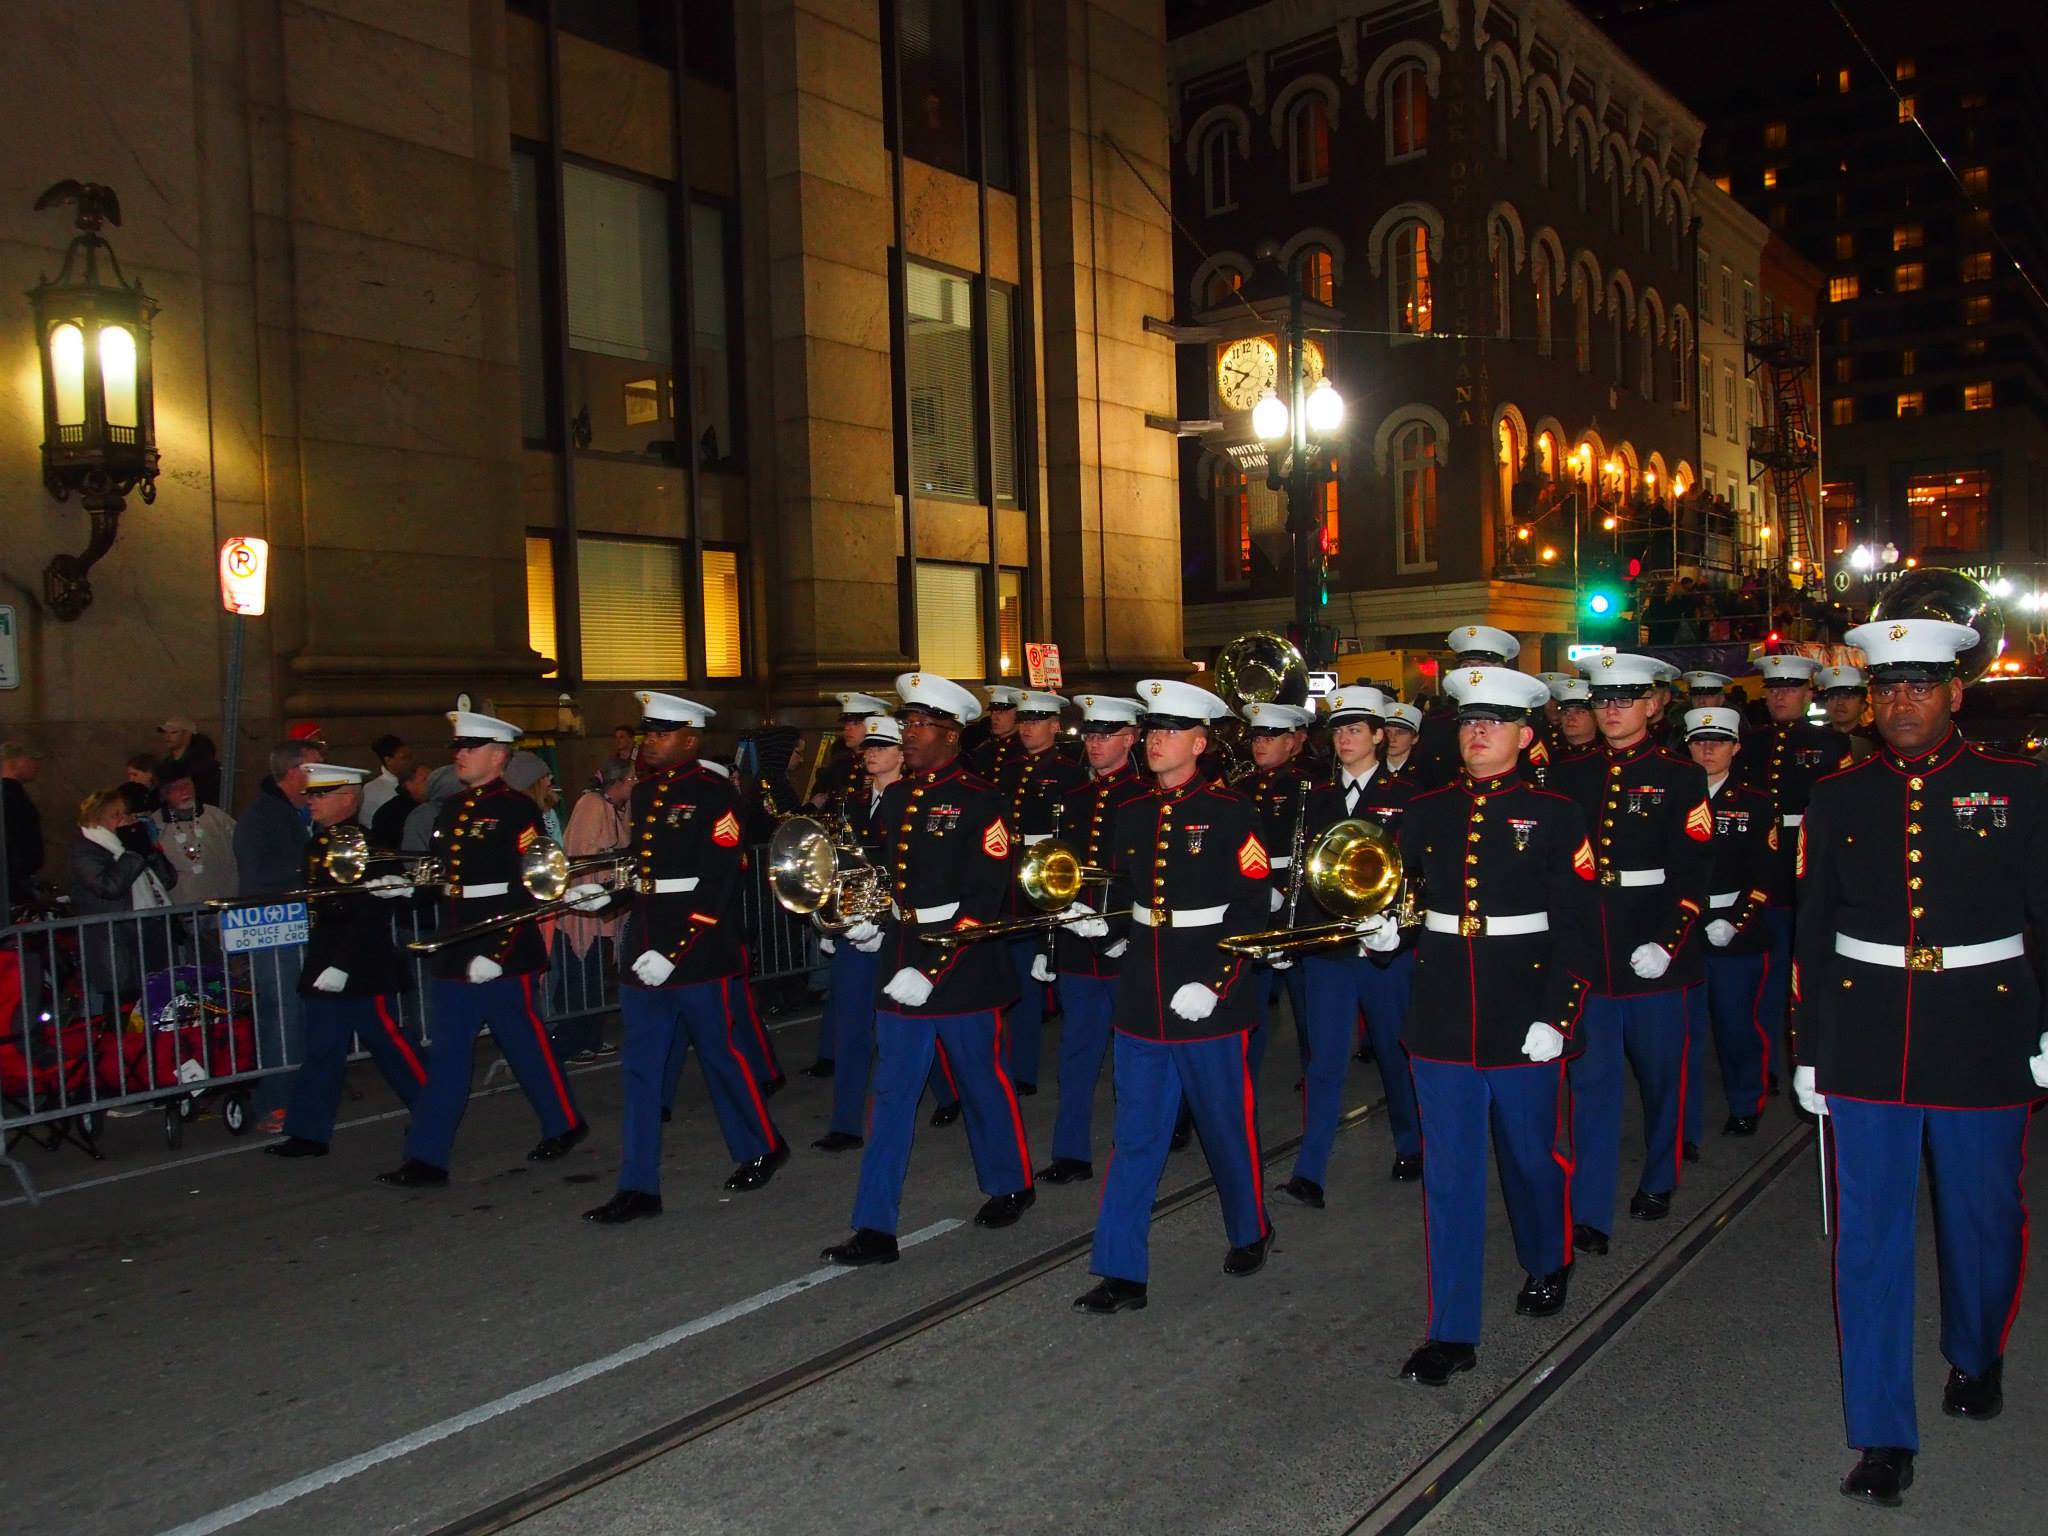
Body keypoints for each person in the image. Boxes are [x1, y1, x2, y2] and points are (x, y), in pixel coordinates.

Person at [1796, 617, 2048, 1508]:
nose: (1901, 702)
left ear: (1955, 693)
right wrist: (1810, 1047)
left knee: (1984, 1221)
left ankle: (1976, 1352)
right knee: (1866, 1242)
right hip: (1866, 1037)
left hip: (1984, 1027)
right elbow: (1815, 926)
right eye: (1887, 688)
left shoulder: (2017, 785)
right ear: (1870, 699)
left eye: (1919, 686)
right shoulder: (1840, 793)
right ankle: (1881, 1434)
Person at [1395, 666, 1596, 1386]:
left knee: (1530, 1158)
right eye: (1468, 721)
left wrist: (1560, 1016)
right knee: (1449, 1178)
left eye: (1494, 722)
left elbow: (1577, 926)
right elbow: (1405, 893)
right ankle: (1450, 1331)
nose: (1477, 732)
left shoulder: (1556, 814)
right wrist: (1389, 931)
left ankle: (1548, 1255)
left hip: (1523, 1010)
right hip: (1443, 1013)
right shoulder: (1427, 809)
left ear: (1524, 733)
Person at [1071, 679, 1275, 1314]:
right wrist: (1103, 930)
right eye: (1152, 729)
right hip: (1143, 992)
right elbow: (1131, 897)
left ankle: (1251, 1229)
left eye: (1170, 731)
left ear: (1199, 741)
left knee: (1223, 1127)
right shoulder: (1131, 811)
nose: (1157, 740)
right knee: (1135, 1135)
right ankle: (1121, 1269)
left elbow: (1253, 908)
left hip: (1207, 995)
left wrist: (1215, 979)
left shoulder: (1231, 811)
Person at [821, 672, 1036, 1268]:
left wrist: (933, 964)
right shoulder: (896, 798)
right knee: (891, 1093)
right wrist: (874, 921)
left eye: (917, 726)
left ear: (949, 734)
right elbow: (894, 881)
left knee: (980, 1081)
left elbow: (984, 899)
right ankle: (874, 1228)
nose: (906, 735)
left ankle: (1011, 1181)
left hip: (961, 968)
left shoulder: (980, 800)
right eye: (906, 723)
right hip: (901, 957)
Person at [580, 694, 787, 1224]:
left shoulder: (715, 793)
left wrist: (674, 952)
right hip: (645, 945)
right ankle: (638, 1185)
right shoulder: (648, 791)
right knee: (641, 1070)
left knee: (721, 1057)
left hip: (695, 952)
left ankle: (761, 1144)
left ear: (690, 739)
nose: (650, 740)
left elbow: (719, 879)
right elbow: (648, 867)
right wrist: (614, 895)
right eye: (649, 732)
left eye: (662, 733)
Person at [376, 711, 589, 1187]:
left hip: (502, 951)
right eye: (458, 747)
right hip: (458, 944)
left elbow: (531, 885)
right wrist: (405, 888)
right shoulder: (452, 809)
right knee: (449, 1056)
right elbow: (444, 879)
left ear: (497, 755)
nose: (458, 754)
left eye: (468, 748)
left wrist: (498, 950)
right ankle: (426, 1158)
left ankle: (564, 1123)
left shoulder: (517, 810)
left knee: (526, 1047)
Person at [1550, 652, 1711, 1255]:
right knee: (1590, 1083)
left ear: (1652, 703)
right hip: (1592, 949)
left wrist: (1668, 942)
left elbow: (1692, 870)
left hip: (1652, 949)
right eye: (1602, 699)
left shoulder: (1681, 776)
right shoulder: (1569, 775)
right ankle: (1589, 1208)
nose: (1612, 709)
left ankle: (1659, 1175)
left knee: (1661, 1074)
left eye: (1625, 698)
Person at [1276, 686, 1421, 1208]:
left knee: (1394, 1052)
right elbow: (1304, 872)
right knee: (1324, 1059)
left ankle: (1411, 1144)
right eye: (1338, 730)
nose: (1344, 738)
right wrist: (1294, 934)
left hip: (1384, 952)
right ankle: (1309, 1169)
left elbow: (1416, 876)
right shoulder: (1315, 798)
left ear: (1380, 736)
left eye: (1355, 729)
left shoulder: (1409, 796)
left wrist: (1397, 932)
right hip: (1330, 951)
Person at [812, 715, 964, 1150]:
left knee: (911, 1019)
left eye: (881, 746)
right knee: (852, 1024)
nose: (870, 753)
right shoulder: (853, 801)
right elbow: (839, 864)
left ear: (903, 752)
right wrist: (829, 919)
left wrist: (887, 921)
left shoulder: (916, 800)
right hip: (857, 927)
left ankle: (948, 1092)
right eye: (867, 747)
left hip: (898, 927)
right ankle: (846, 1123)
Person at [267, 764, 428, 1158]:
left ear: (348, 798)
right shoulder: (319, 844)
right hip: (327, 961)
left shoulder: (367, 846)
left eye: (321, 794)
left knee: (391, 1045)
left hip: (362, 965)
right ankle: (308, 1132)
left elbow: (372, 909)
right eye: (311, 794)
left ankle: (435, 1107)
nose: (312, 801)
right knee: (321, 1049)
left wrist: (341, 963)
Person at [1037, 694, 1151, 1183]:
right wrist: (1049, 942)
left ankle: (1138, 1147)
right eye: (1090, 734)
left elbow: (1150, 877)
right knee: (1077, 1054)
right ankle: (1070, 1152)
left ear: (1131, 739)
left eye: (1106, 735)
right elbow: (1057, 876)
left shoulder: (1146, 799)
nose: (1095, 743)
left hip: (1127, 949)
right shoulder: (1076, 800)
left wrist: (1125, 932)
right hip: (1079, 947)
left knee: (1136, 1060)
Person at [1736, 653, 1852, 1092]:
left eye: (1790, 689)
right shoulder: (1749, 743)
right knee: (1762, 976)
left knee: (1805, 969)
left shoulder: (1830, 745)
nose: (1780, 696)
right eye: (1773, 689)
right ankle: (1763, 1061)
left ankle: (1808, 1050)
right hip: (1757, 867)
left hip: (1807, 868)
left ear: (1808, 694)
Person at [1677, 707, 1775, 1157]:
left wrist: (1735, 920)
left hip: (1733, 931)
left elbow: (1766, 872)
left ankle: (1744, 1103)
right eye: (1699, 742)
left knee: (1736, 1026)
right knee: (1684, 1035)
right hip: (1682, 929)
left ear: (1736, 747)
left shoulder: (1754, 803)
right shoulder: (1673, 796)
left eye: (1717, 742)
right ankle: (1687, 1127)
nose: (1708, 749)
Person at [992, 690, 1086, 1093]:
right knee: (1013, 977)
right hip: (1009, 877)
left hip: (1046, 878)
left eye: (1036, 721)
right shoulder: (1006, 767)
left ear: (1054, 726)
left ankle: (1029, 1069)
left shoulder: (1068, 772)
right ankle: (1012, 1063)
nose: (1027, 727)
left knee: (1044, 975)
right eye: (1024, 720)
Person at [234, 738, 324, 1132]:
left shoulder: (297, 813)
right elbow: (256, 877)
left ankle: (300, 1091)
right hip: (273, 928)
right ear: (294, 773)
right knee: (281, 1013)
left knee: (297, 1011)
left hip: (295, 925)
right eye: (315, 768)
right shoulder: (262, 817)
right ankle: (275, 1101)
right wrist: (306, 876)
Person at [1237, 698, 1316, 1083]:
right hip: (1254, 898)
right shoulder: (1243, 787)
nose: (1260, 744)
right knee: (1251, 996)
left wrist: (1286, 892)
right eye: (1256, 737)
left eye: (1270, 736)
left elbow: (1314, 847)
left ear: (1292, 741)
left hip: (1296, 901)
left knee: (1307, 1003)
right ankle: (1244, 1073)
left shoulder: (1309, 784)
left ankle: (1313, 1069)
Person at [64, 787, 178, 1011]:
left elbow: (168, 879)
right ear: (97, 818)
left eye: (126, 814)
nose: (125, 820)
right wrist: (132, 854)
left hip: (148, 934)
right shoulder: (86, 850)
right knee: (122, 1006)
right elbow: (109, 886)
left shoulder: (129, 845)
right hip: (117, 942)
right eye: (116, 815)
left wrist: (150, 852)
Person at [554, 756, 632, 1055]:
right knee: (582, 973)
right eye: (632, 779)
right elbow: (582, 853)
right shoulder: (592, 805)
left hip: (604, 904)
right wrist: (613, 863)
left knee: (595, 973)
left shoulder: (616, 808)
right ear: (618, 782)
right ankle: (573, 1041)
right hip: (586, 904)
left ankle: (590, 1036)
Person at [1415, 627, 1523, 784]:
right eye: (1467, 666)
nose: (1474, 674)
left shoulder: (1517, 720)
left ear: (1502, 670)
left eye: (1484, 666)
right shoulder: (1437, 722)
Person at [155, 762, 239, 907]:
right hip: (179, 912)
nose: (184, 791)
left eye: (187, 785)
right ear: (164, 794)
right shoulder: (156, 827)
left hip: (221, 906)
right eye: (176, 788)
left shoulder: (217, 818)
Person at [809, 691, 889, 816]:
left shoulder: (888, 764)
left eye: (856, 723)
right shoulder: (840, 765)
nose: (847, 728)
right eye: (846, 723)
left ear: (875, 725)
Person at [3, 740, 47, 910]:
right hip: (13, 879)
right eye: (31, 759)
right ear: (13, 762)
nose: (36, 765)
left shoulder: (11, 793)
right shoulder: (10, 795)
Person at [155, 716, 222, 808]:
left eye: (173, 732)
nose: (167, 736)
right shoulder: (164, 765)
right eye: (165, 732)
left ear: (187, 734)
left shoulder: (203, 765)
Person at [1817, 662, 1876, 763]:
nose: (1840, 703)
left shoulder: (1874, 741)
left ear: (1864, 706)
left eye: (1849, 697)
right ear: (1826, 704)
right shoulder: (1815, 738)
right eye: (1833, 697)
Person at [370, 760, 431, 853]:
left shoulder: (432, 806)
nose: (432, 783)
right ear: (409, 784)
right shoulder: (392, 813)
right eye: (425, 779)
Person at [969, 684, 1027, 778]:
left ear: (1018, 714)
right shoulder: (985, 749)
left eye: (1002, 712)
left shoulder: (1026, 749)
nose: (994, 718)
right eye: (992, 712)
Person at [360, 735, 412, 828]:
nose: (409, 762)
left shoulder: (412, 782)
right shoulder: (373, 788)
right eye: (404, 758)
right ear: (388, 760)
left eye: (409, 757)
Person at [1549, 678, 1599, 754]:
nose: (1570, 718)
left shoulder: (1608, 758)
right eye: (1566, 712)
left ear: (1596, 717)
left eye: (1579, 712)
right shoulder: (1551, 757)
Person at [1381, 702, 1426, 783]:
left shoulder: (1425, 774)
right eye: (1387, 731)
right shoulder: (1371, 769)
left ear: (1415, 739)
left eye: (1400, 733)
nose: (1392, 738)